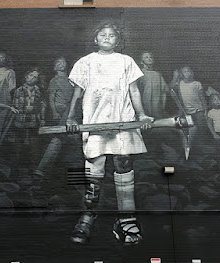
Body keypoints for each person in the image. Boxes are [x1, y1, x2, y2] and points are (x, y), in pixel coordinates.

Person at [66, 21, 153, 246]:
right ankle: (88, 214)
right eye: (102, 34)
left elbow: (134, 90)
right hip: (94, 121)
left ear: (118, 40)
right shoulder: (85, 62)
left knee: (123, 163)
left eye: (112, 35)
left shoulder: (127, 61)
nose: (107, 37)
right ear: (95, 39)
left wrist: (142, 115)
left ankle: (126, 218)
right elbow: (78, 92)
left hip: (122, 119)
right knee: (94, 166)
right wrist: (71, 117)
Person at [170, 66, 208, 158]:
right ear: (181, 74)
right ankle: (192, 151)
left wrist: (205, 110)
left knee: (200, 130)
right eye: (185, 72)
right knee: (190, 131)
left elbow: (202, 98)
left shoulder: (197, 84)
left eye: (188, 71)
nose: (187, 73)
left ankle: (202, 151)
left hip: (198, 111)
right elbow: (170, 88)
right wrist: (175, 76)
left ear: (192, 72)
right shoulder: (180, 83)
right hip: (187, 112)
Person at [12, 68, 46, 167]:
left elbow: (42, 105)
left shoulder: (39, 91)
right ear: (26, 76)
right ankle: (17, 169)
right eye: (31, 75)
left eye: (35, 77)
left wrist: (42, 117)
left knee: (34, 145)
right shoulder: (18, 90)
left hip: (33, 121)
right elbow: (15, 105)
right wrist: (24, 109)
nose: (32, 78)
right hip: (20, 121)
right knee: (19, 144)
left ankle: (33, 168)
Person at [138, 51, 169, 119]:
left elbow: (165, 91)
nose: (149, 59)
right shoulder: (139, 74)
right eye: (146, 57)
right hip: (144, 108)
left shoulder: (158, 74)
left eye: (151, 57)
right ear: (141, 61)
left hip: (157, 109)